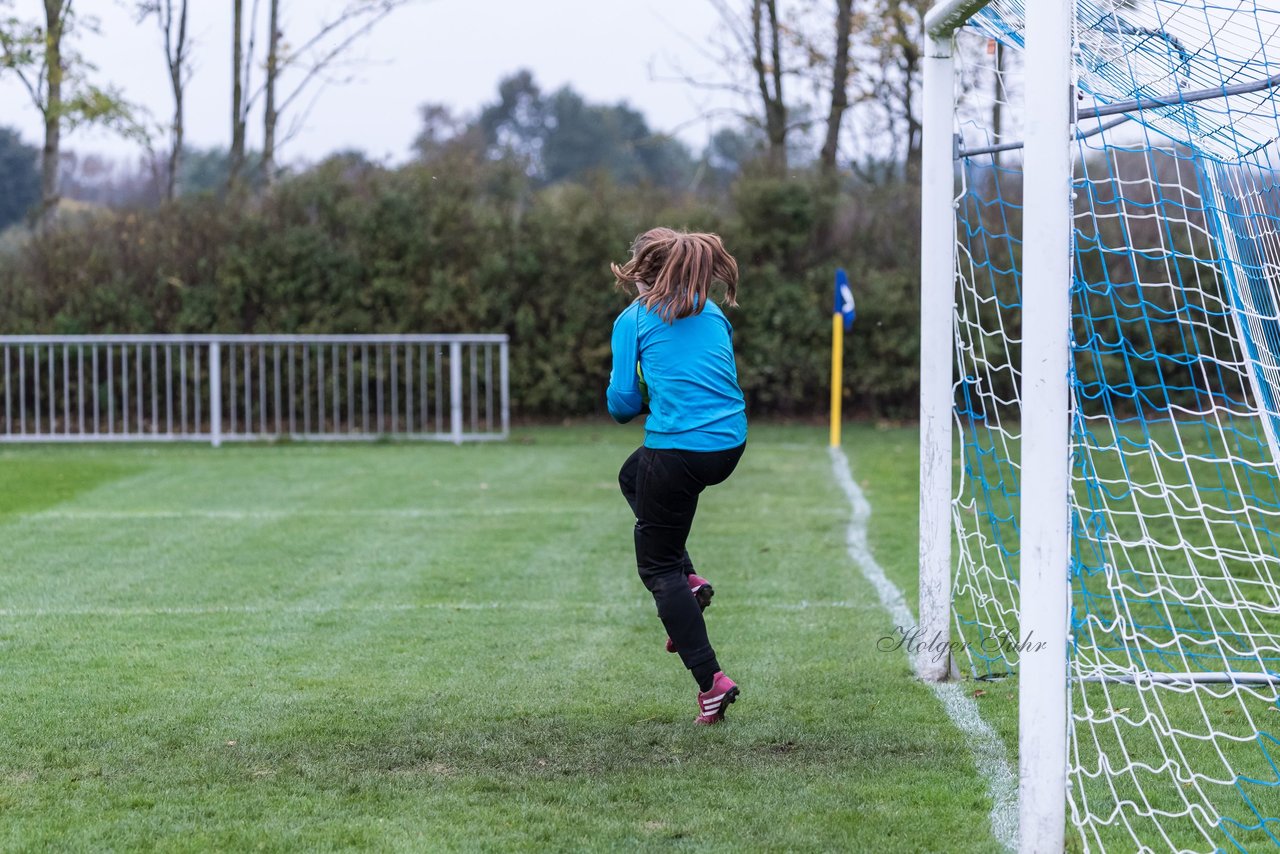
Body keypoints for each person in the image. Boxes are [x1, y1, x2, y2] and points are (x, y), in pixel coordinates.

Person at [607, 227, 747, 725]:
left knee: (656, 568)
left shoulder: (634, 320)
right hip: (729, 445)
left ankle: (711, 683)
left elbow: (622, 404)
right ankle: (688, 580)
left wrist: (637, 380)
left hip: (679, 450)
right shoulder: (712, 313)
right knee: (632, 477)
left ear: (641, 274)